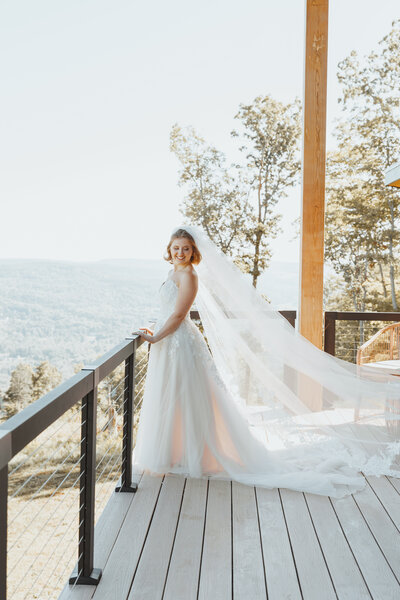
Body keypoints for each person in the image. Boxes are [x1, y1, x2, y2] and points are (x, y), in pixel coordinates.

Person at [132, 226, 400, 498]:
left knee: (190, 398)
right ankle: (175, 453)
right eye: (176, 248)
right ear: (169, 249)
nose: (180, 253)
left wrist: (155, 339)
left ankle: (198, 455)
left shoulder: (189, 275)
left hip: (180, 344)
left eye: (186, 249)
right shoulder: (172, 272)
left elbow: (178, 316)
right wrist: (154, 329)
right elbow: (167, 312)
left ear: (193, 252)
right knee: (173, 398)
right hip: (168, 341)